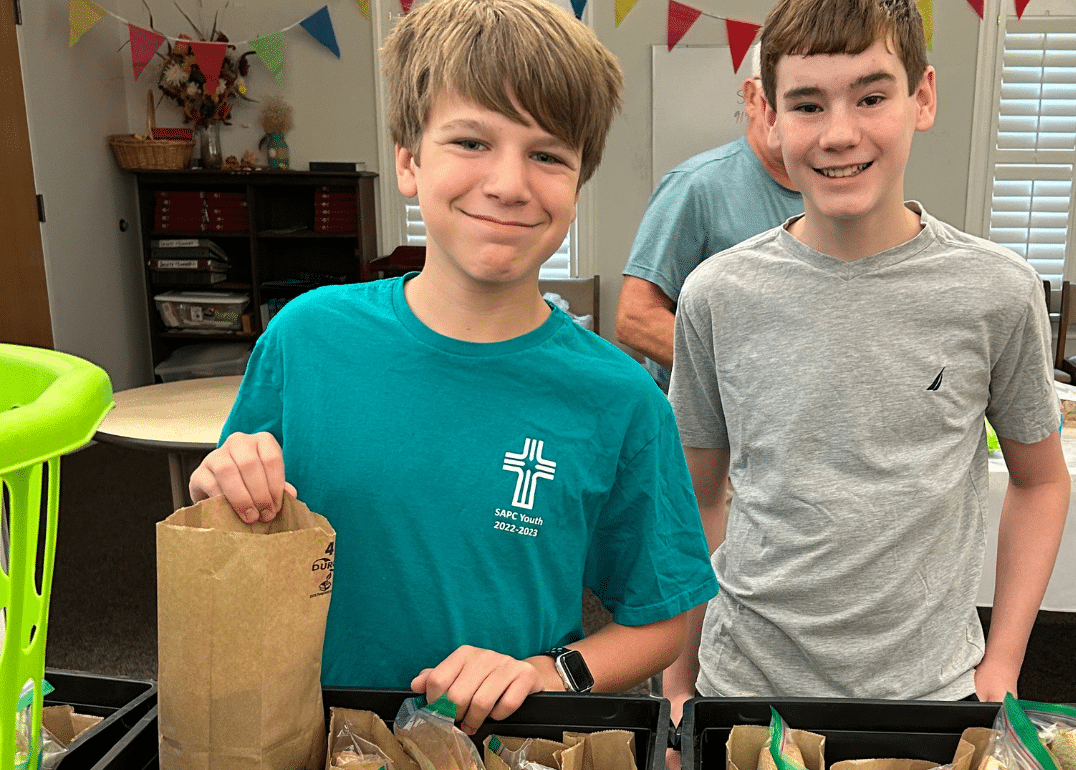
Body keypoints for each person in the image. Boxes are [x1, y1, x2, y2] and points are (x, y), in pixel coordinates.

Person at [188, 0, 717, 736]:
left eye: (546, 155)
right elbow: (239, 528)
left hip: (506, 743)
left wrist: (547, 671)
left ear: (576, 185)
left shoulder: (620, 399)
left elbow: (663, 617)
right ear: (409, 161)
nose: (507, 183)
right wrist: (220, 484)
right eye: (471, 141)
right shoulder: (307, 337)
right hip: (307, 733)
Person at [665, 0, 1071, 715]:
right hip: (744, 687)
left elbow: (1040, 482)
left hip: (928, 693)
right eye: (808, 104)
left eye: (872, 96)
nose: (839, 133)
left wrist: (1003, 661)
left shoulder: (996, 291)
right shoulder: (717, 295)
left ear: (923, 98)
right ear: (768, 114)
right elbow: (695, 499)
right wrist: (677, 677)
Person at [616, 44, 803, 392]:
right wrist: (744, 375)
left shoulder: (833, 194)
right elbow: (635, 318)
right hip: (709, 431)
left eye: (809, 104)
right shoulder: (696, 185)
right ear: (752, 97)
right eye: (782, 99)